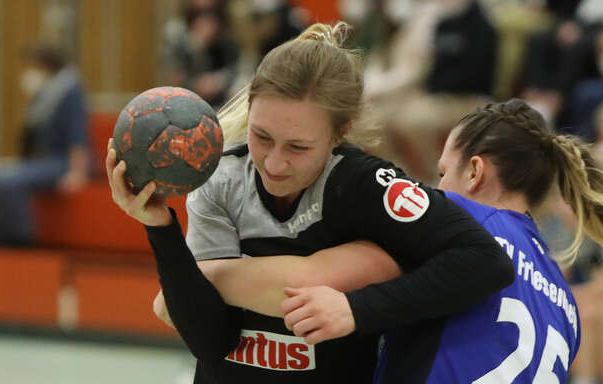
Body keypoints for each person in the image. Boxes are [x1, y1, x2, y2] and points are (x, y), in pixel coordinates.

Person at [107, 21, 514, 383]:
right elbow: (212, 341)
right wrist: (160, 228)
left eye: (299, 147)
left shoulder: (366, 183)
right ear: (249, 111)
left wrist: (357, 309)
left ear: (341, 134)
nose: (274, 161)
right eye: (261, 136)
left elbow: (485, 262)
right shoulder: (220, 179)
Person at [0, 43, 90, 246]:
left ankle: (21, 239)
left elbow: (78, 136)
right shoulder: (45, 95)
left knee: (6, 182)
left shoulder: (69, 91)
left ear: (46, 66)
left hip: (62, 162)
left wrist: (77, 172)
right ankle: (6, 232)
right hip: (45, 159)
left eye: (33, 67)